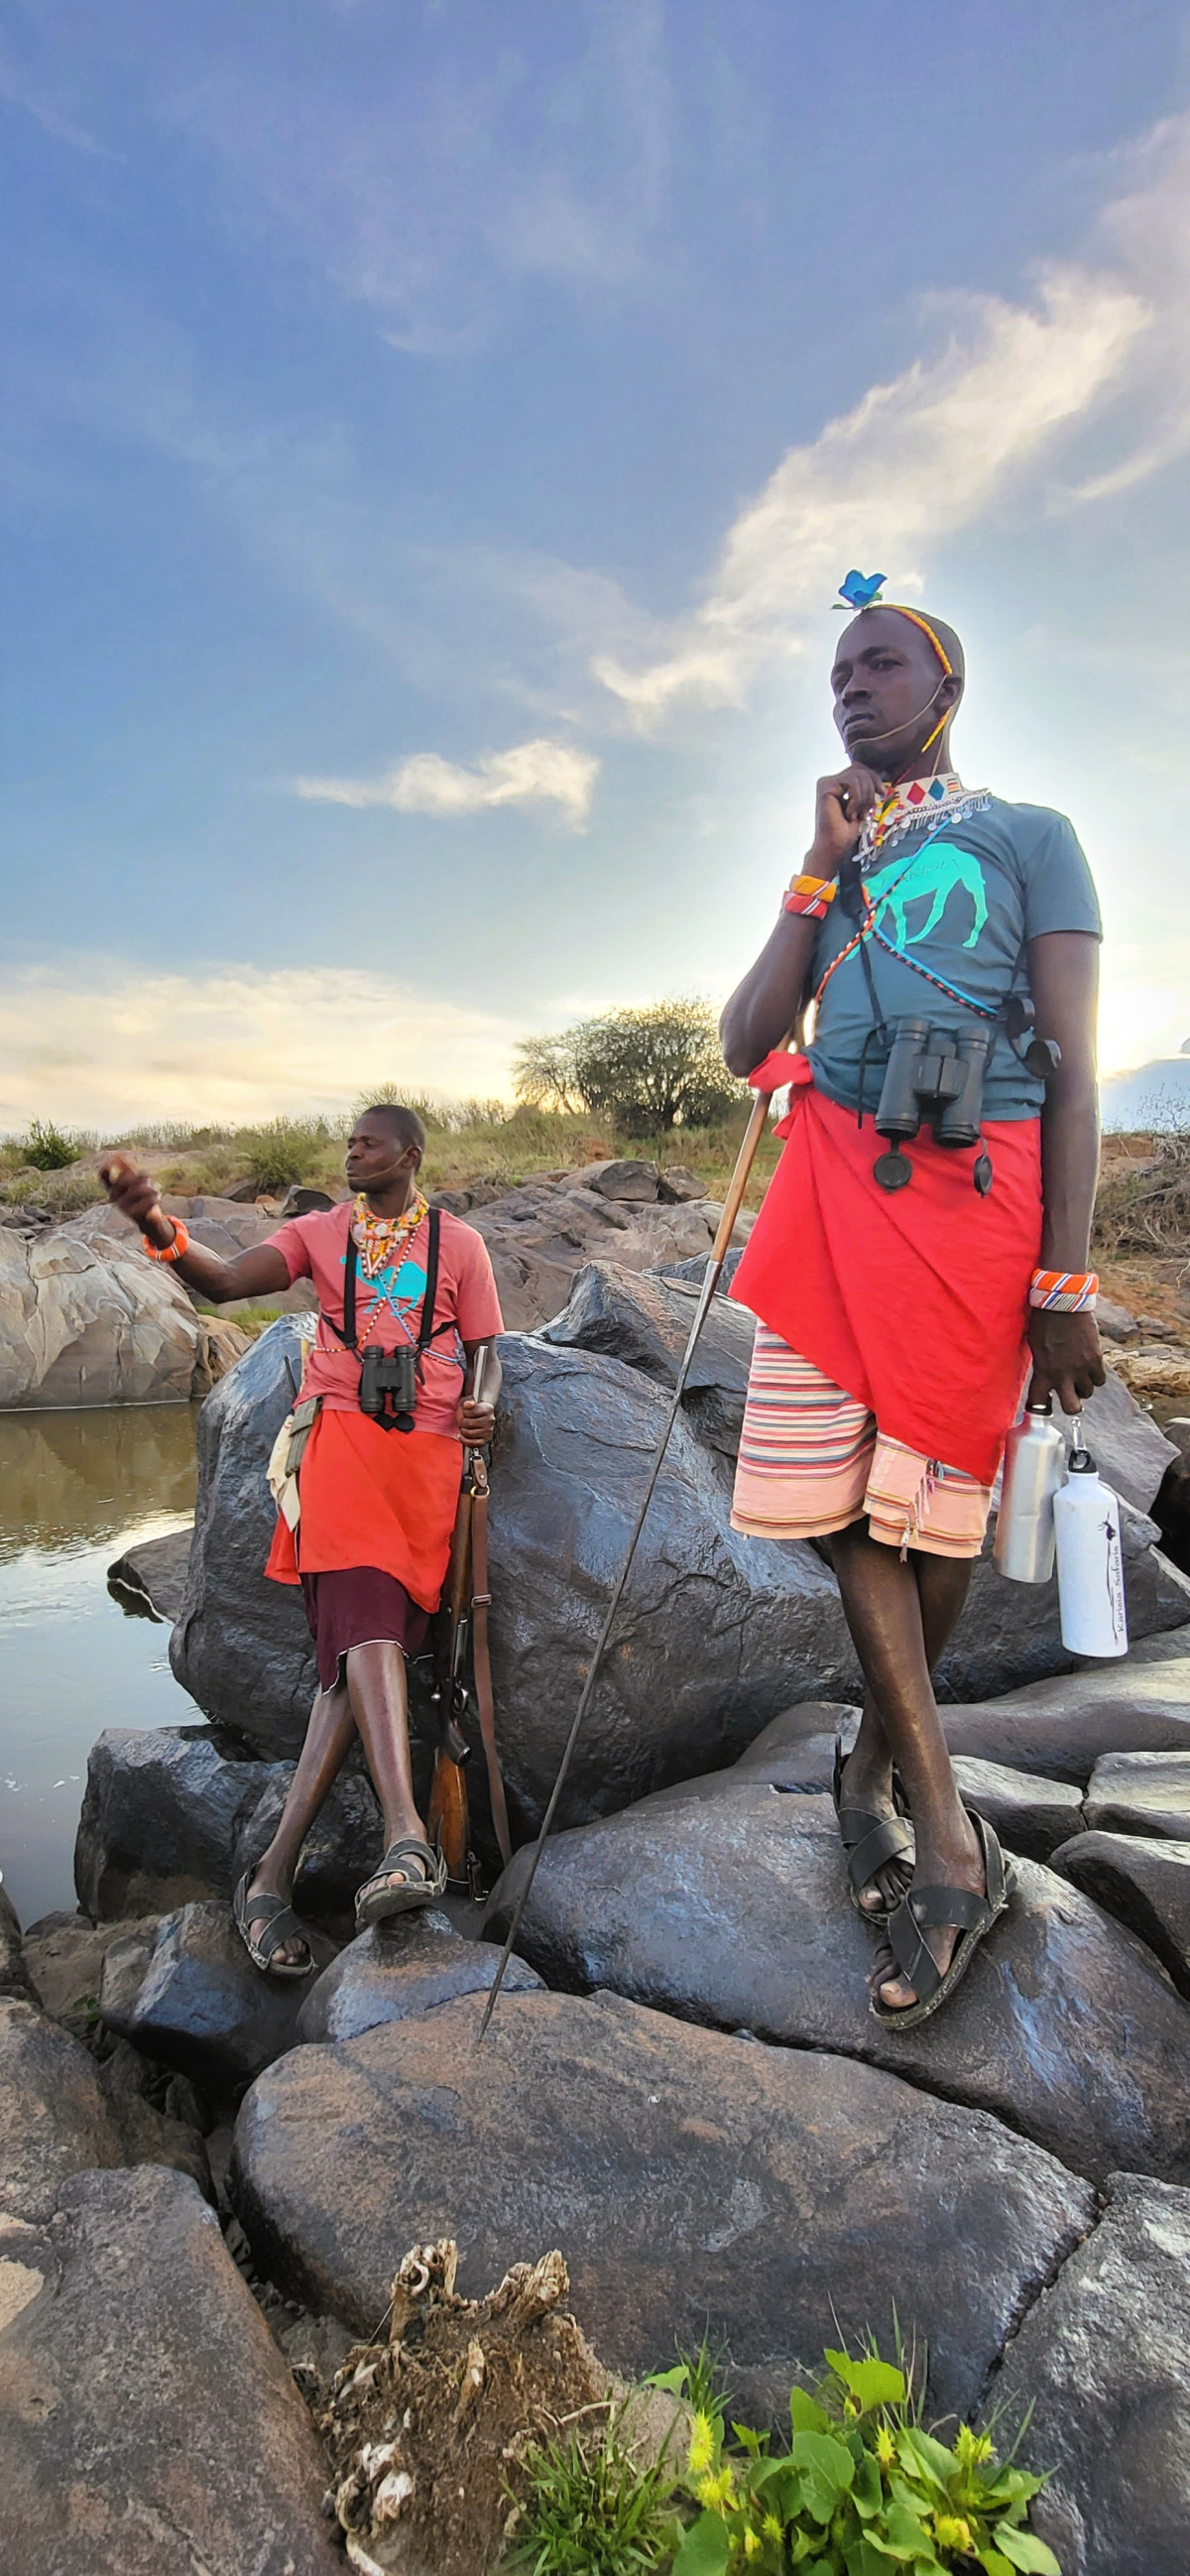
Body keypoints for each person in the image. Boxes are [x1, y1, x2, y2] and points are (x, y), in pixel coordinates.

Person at [720, 586, 1105, 2027]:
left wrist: (1066, 1278)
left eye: (881, 662)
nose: (851, 687)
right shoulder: (842, 868)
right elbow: (746, 1039)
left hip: (980, 1198)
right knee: (834, 1507)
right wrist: (813, 874)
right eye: (836, 673)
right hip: (835, 1194)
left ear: (947, 685)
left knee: (934, 1509)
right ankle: (946, 1831)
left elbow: (1073, 1064)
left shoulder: (1029, 837)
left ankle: (883, 1767)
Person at [101, 1104, 503, 1975]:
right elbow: (222, 1281)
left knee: (356, 1672)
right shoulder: (320, 1232)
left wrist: (485, 1401)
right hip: (342, 1451)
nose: (351, 1149)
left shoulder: (460, 1245)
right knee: (365, 1625)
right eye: (348, 1139)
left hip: (428, 1469)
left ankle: (269, 1876)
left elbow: (487, 1350)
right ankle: (405, 1836)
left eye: (369, 1139)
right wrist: (154, 1221)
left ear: (411, 1154)